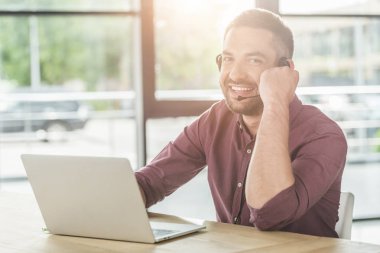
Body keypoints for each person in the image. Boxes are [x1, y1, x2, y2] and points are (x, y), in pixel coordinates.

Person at [135, 8, 347, 238]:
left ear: (284, 70)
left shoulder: (324, 136)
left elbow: (270, 213)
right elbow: (149, 183)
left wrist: (276, 102)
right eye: (228, 59)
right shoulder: (215, 120)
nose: (235, 74)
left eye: (254, 60)